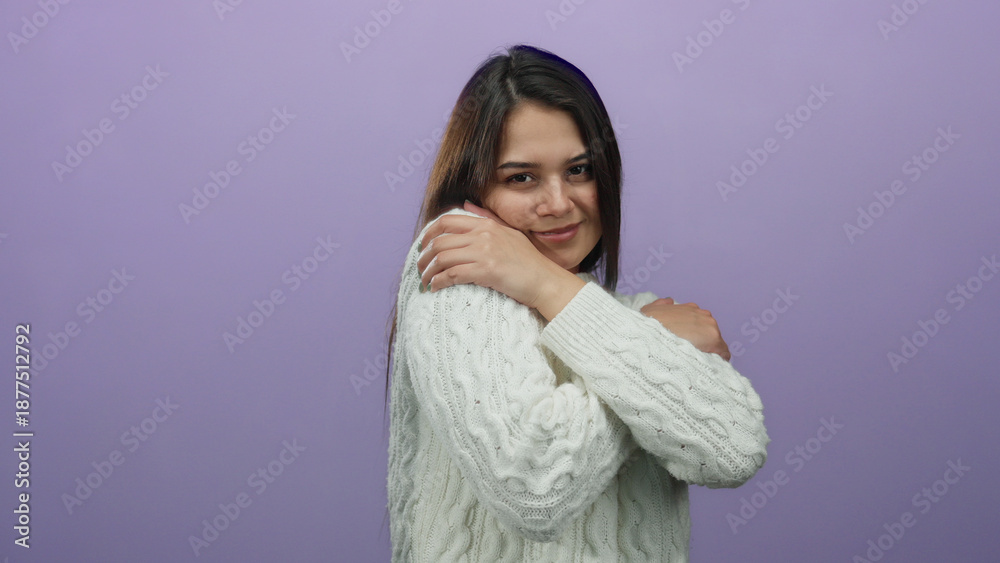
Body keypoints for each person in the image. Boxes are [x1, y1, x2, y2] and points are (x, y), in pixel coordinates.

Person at [382, 44, 769, 562]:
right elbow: (534, 487)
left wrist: (550, 285)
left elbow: (734, 451)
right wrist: (651, 352)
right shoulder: (453, 280)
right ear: (473, 185)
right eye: (521, 177)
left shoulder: (638, 315)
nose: (559, 203)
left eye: (580, 170)